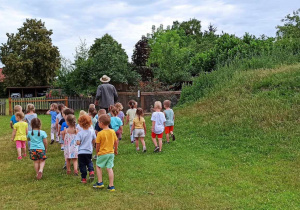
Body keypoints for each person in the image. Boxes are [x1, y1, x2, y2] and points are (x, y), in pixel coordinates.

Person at [93, 114, 118, 191]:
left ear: (102, 123)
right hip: (111, 153)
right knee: (109, 168)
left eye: (98, 122)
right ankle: (111, 185)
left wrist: (97, 151)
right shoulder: (112, 131)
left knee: (98, 166)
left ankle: (100, 182)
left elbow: (97, 144)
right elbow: (116, 142)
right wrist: (116, 150)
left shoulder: (100, 133)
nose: (98, 124)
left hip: (103, 153)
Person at [76, 115, 96, 184]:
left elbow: (78, 143)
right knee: (89, 162)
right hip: (89, 151)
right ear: (90, 122)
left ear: (80, 124)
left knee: (82, 165)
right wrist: (94, 145)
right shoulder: (92, 131)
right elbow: (94, 140)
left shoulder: (79, 133)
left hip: (81, 152)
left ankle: (84, 178)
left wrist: (78, 142)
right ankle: (91, 171)